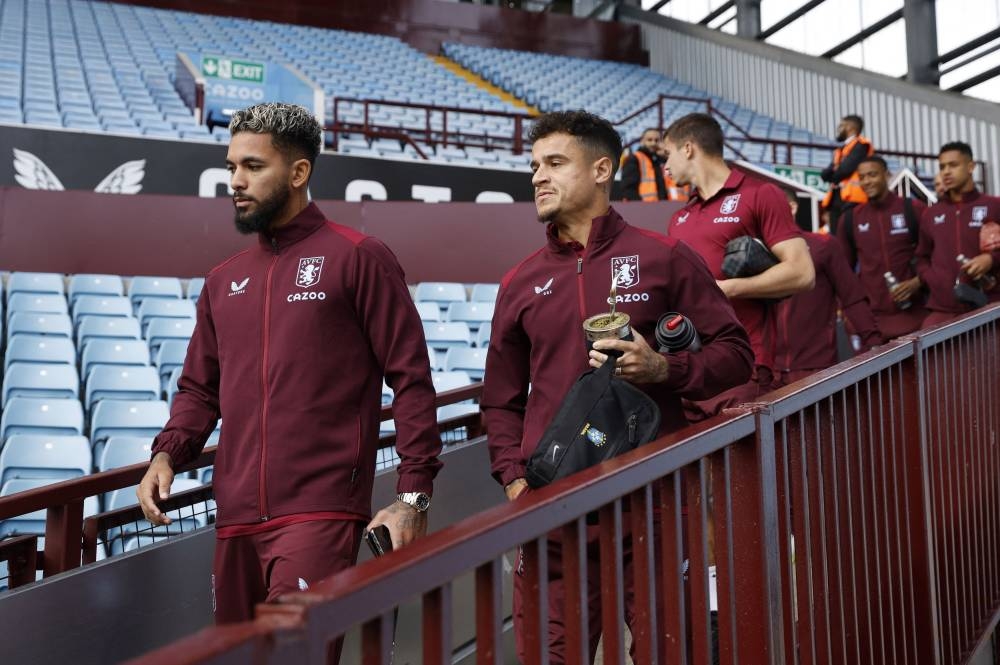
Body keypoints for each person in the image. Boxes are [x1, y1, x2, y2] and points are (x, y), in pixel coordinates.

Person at [136, 103, 442, 658]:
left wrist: (413, 495)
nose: (236, 181)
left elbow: (412, 379)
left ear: (299, 172)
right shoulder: (223, 279)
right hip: (234, 520)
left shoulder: (359, 258)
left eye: (253, 166)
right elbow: (200, 390)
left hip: (320, 512)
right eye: (232, 167)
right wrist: (168, 454)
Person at [482, 110, 753, 664]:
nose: (538, 176)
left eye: (555, 163)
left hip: (653, 503)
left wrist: (665, 369)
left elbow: (736, 354)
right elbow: (500, 399)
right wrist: (514, 480)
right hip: (552, 510)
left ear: (602, 169)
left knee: (671, 652)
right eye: (534, 166)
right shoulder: (520, 281)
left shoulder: (664, 257)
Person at [662, 113, 814, 418]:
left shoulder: (761, 194)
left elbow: (802, 273)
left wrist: (726, 289)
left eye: (667, 154)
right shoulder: (679, 218)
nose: (665, 166)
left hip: (744, 369)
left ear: (688, 148)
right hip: (691, 373)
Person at [836, 156, 928, 339]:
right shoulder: (850, 219)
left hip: (916, 315)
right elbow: (843, 271)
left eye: (872, 175)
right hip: (873, 320)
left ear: (887, 175)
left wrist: (918, 282)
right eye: (862, 177)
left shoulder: (914, 209)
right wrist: (846, 309)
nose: (867, 182)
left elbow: (935, 256)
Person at [775, 230, 881, 386]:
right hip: (766, 372)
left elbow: (852, 297)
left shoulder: (822, 244)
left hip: (815, 366)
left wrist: (874, 343)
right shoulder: (753, 246)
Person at [915, 141, 1000, 327]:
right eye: (942, 167)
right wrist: (932, 279)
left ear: (970, 167)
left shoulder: (994, 205)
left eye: (953, 165)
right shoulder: (931, 213)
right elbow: (921, 257)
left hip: (990, 308)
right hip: (943, 310)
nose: (946, 172)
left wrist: (991, 259)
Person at [820, 114, 874, 235]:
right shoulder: (841, 150)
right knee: (836, 238)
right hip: (836, 199)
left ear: (850, 127)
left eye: (841, 126)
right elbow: (824, 175)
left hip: (852, 199)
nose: (839, 129)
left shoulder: (861, 145)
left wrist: (833, 173)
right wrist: (834, 172)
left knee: (851, 236)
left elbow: (845, 170)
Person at [620, 127, 668, 201]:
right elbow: (629, 189)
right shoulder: (634, 159)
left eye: (657, 140)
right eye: (649, 140)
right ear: (642, 141)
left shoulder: (660, 160)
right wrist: (639, 206)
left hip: (662, 205)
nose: (653, 143)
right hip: (642, 206)